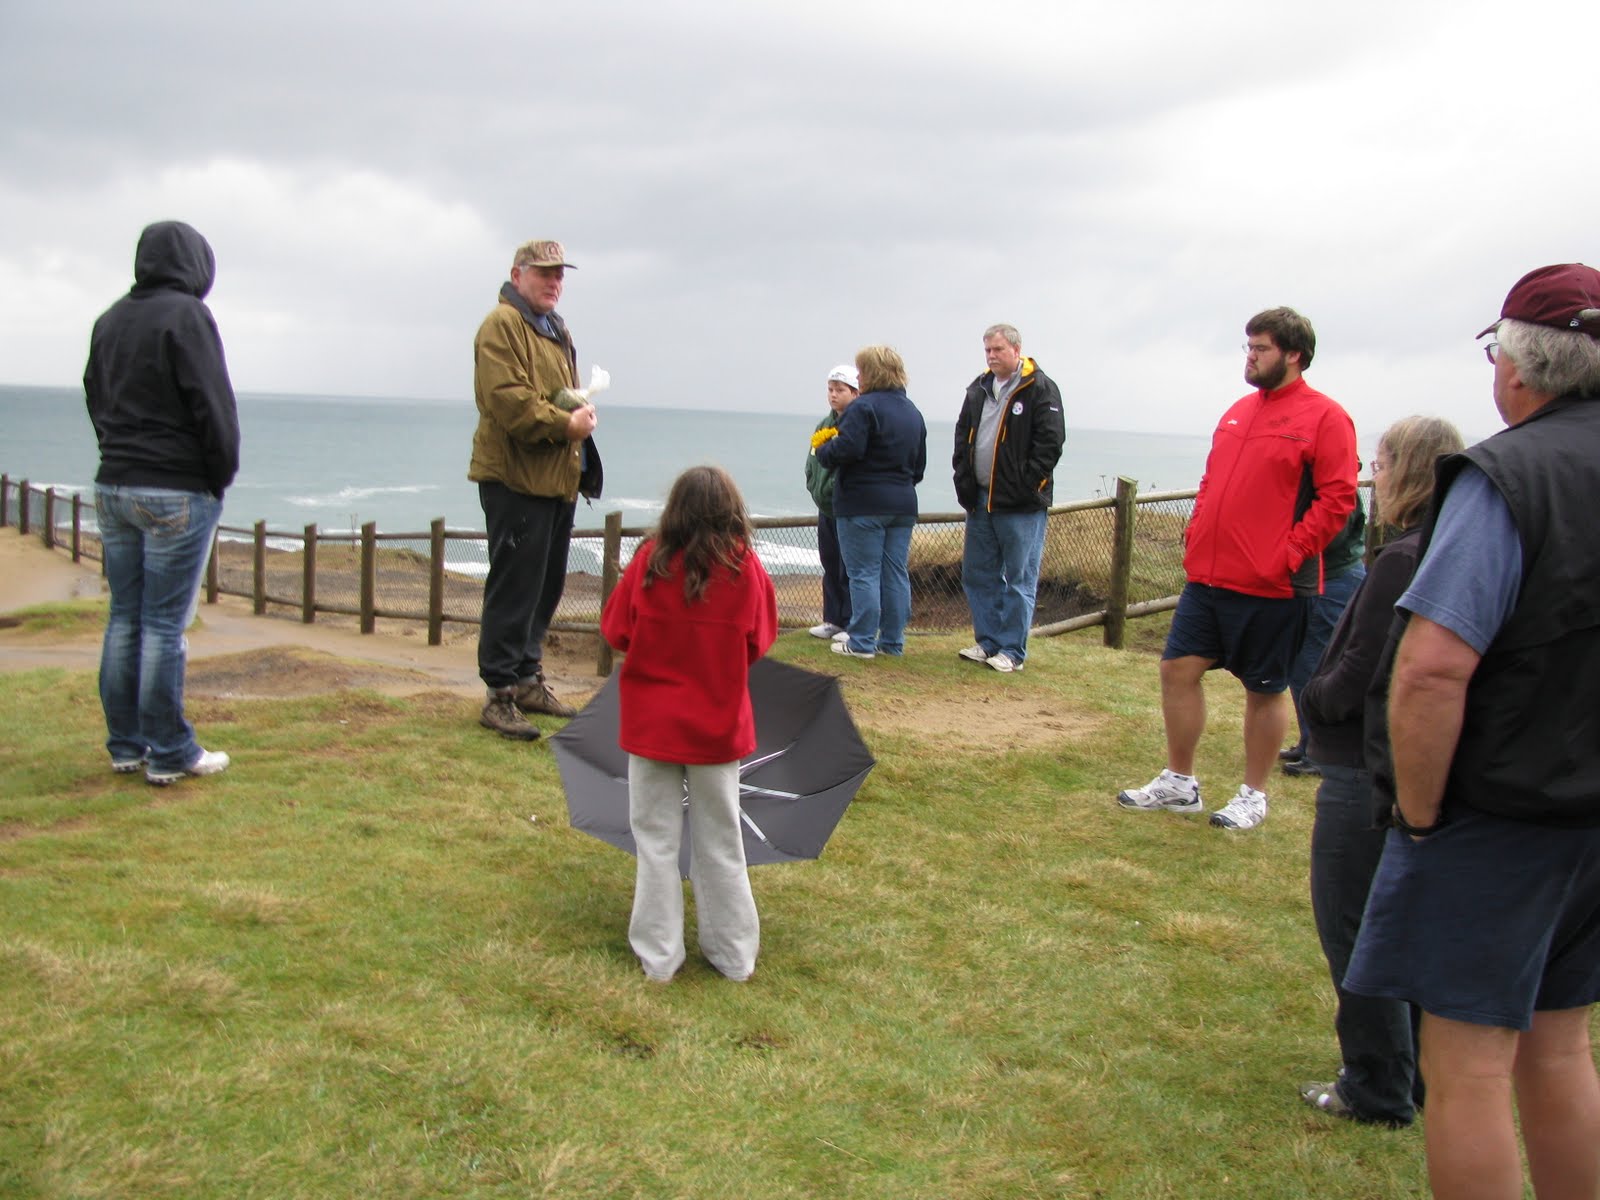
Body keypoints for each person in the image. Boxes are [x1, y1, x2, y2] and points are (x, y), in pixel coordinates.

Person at [1344, 264, 1600, 1199]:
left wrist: (1419, 816)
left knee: (1470, 1068)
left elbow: (1431, 670)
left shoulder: (1503, 477)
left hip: (1496, 814)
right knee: (1562, 1047)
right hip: (1588, 821)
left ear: (1518, 370)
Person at [1117, 307, 1357, 830]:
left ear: (1294, 354)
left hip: (1273, 584)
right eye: (1247, 348)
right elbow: (1211, 481)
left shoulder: (1326, 417)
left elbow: (1338, 499)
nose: (1249, 358)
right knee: (1176, 671)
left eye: (1261, 349)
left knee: (1265, 689)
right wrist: (1195, 530)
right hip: (1208, 576)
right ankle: (1180, 783)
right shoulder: (1237, 412)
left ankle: (1253, 794)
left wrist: (1290, 553)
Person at [1296, 415, 1463, 1127]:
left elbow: (1365, 663)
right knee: (1403, 923)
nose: (1374, 473)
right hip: (1415, 765)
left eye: (1384, 461)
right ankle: (1414, 1072)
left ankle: (1375, 1083)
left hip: (1362, 766)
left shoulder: (1399, 558)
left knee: (1351, 924)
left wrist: (1317, 697)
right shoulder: (1453, 548)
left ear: (1412, 470)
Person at [600, 466, 778, 983]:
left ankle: (659, 956)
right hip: (718, 725)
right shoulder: (745, 569)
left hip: (651, 724)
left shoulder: (647, 563)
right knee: (722, 840)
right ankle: (734, 955)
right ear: (731, 510)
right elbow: (759, 640)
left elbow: (616, 630)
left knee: (654, 840)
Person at [83, 221, 241, 786]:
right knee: (162, 626)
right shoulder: (188, 316)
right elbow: (212, 405)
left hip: (115, 483)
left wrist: (117, 455)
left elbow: (93, 393)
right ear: (197, 264)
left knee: (125, 618)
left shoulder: (110, 320)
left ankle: (126, 744)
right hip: (175, 487)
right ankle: (171, 750)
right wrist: (218, 478)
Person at [470, 239, 602, 741]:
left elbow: (552, 397)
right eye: (544, 273)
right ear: (517, 274)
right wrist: (566, 424)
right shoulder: (501, 324)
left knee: (545, 586)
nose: (554, 282)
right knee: (515, 587)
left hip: (555, 478)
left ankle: (527, 679)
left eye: (559, 275)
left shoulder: (554, 328)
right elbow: (508, 401)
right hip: (515, 479)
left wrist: (579, 414)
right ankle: (500, 693)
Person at [952, 324, 1066, 673]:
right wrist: (964, 480)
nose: (991, 356)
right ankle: (988, 642)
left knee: (1020, 577)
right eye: (987, 350)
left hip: (1020, 506)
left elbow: (1050, 443)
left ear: (1016, 350)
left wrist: (1028, 485)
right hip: (981, 501)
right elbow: (963, 436)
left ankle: (1012, 651)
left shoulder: (1040, 388)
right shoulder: (978, 388)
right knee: (979, 573)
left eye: (998, 350)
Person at [813, 345, 928, 660]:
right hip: (903, 503)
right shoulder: (912, 412)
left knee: (863, 572)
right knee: (894, 572)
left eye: (861, 372)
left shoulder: (863, 409)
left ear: (872, 374)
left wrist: (823, 450)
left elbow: (845, 450)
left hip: (862, 503)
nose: (859, 378)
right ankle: (892, 641)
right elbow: (919, 466)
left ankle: (862, 641)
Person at [1279, 502, 1367, 778]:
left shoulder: (1337, 491)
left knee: (1312, 664)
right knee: (1303, 663)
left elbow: (1329, 537)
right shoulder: (1337, 485)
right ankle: (1309, 742)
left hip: (1331, 580)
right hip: (1331, 577)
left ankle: (1319, 750)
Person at [805, 364, 859, 640]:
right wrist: (814, 485)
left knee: (850, 566)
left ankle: (852, 622)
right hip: (825, 507)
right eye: (831, 389)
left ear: (855, 392)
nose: (833, 394)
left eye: (840, 390)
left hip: (848, 507)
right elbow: (812, 461)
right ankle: (833, 619)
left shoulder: (855, 423)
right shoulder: (823, 425)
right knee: (830, 561)